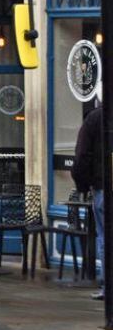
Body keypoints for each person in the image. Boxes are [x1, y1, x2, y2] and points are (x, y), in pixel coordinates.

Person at [73, 103, 103, 297]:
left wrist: (83, 186)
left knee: (106, 238)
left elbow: (82, 157)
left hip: (104, 188)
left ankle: (108, 288)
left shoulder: (95, 118)